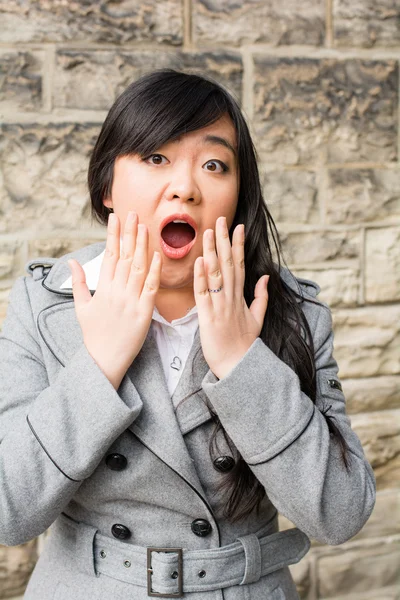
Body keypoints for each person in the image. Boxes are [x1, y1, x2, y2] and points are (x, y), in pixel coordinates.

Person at [0, 69, 375, 600]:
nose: (185, 187)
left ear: (237, 195)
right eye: (156, 158)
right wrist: (100, 365)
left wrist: (243, 363)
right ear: (107, 186)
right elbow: (6, 512)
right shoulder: (48, 303)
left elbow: (341, 514)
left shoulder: (291, 311)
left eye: (214, 164)